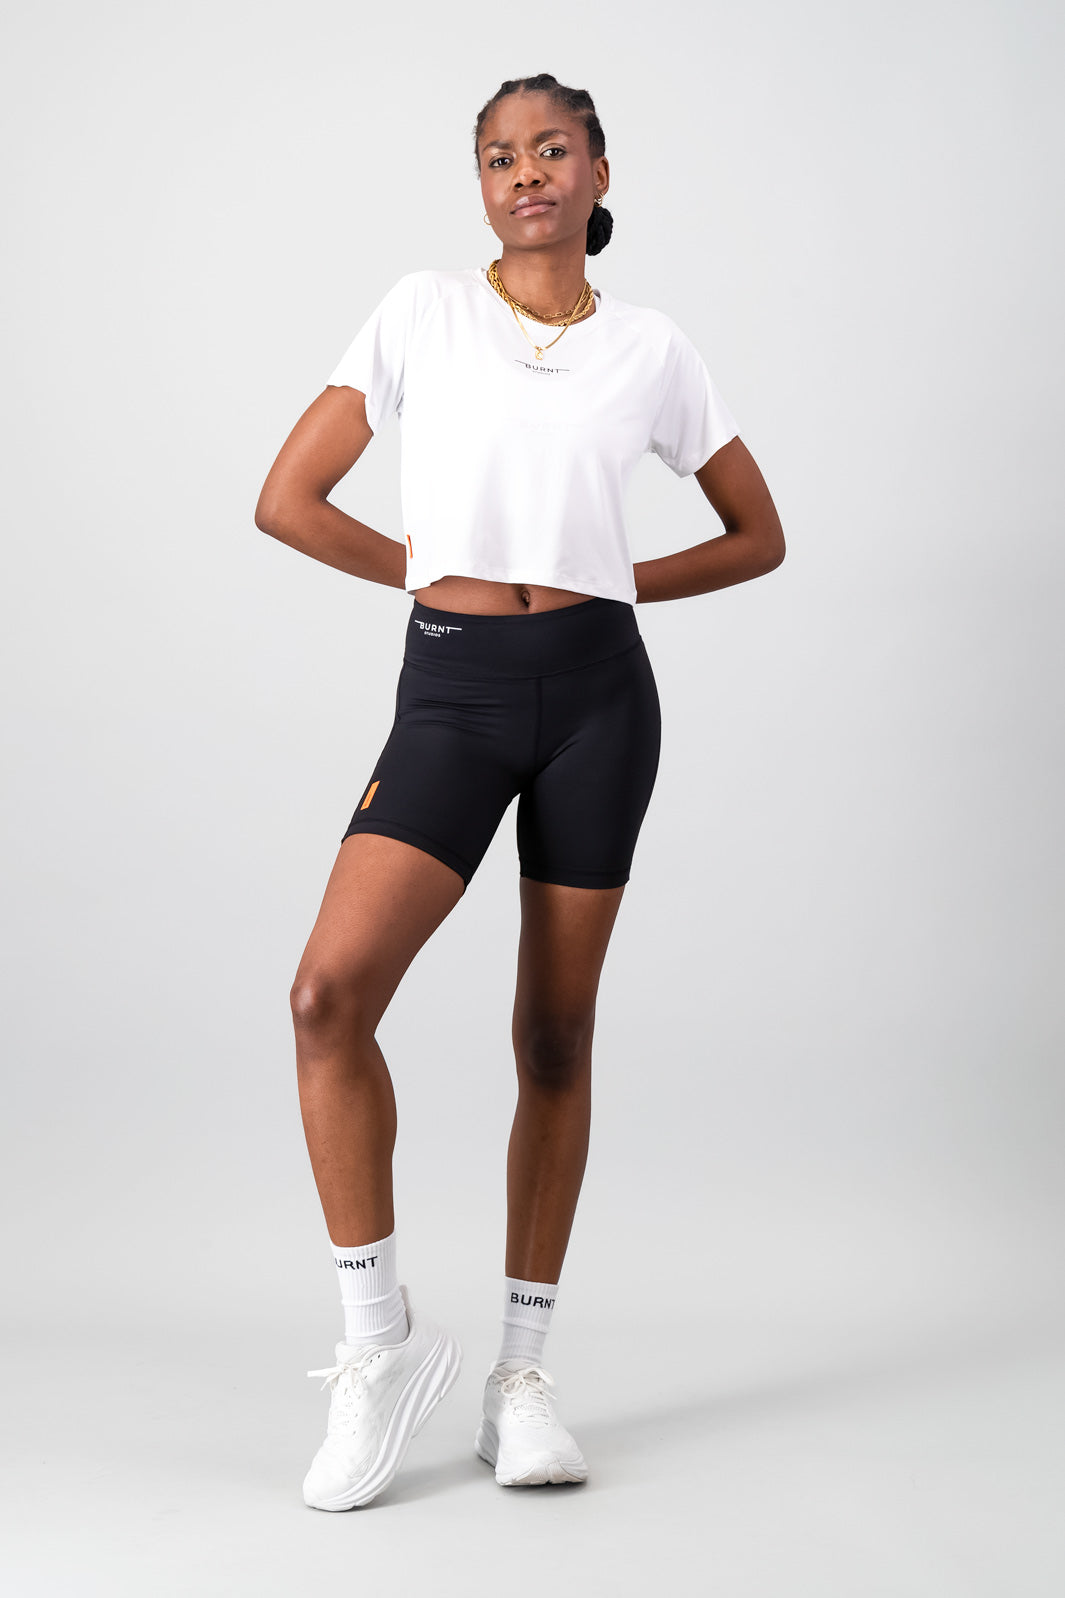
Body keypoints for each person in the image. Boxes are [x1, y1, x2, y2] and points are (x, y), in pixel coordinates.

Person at [254, 72, 785, 1511]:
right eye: (499, 156)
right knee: (326, 997)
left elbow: (757, 532)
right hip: (455, 695)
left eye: (552, 149)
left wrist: (614, 579)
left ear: (600, 174)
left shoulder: (653, 349)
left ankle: (521, 1381)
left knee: (554, 1033)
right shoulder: (422, 312)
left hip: (601, 704)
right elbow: (287, 498)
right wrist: (427, 568)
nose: (526, 172)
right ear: (480, 187)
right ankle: (379, 1344)